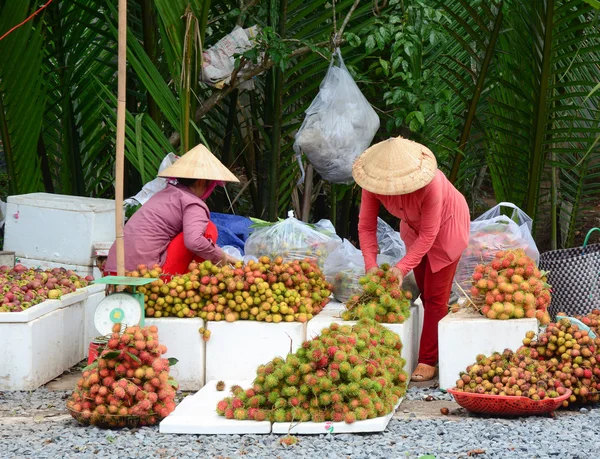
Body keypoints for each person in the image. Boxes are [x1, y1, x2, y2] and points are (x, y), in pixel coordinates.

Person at [352, 137, 470, 382]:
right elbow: (366, 227)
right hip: (414, 229)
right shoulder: (372, 186)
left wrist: (400, 268)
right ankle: (434, 338)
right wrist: (371, 265)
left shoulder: (432, 185)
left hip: (447, 227)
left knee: (436, 296)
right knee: (425, 292)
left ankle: (428, 360)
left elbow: (430, 234)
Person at [105, 144, 240, 275]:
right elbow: (194, 241)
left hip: (113, 270)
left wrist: (225, 256)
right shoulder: (193, 203)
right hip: (142, 275)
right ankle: (185, 280)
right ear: (201, 182)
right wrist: (219, 256)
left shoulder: (165, 194)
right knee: (209, 229)